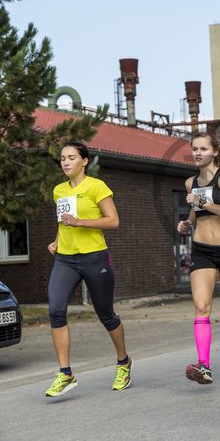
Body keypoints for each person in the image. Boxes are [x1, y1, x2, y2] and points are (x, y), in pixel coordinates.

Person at [45, 142, 130, 397]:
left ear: (84, 161)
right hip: (66, 260)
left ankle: (123, 362)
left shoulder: (96, 186)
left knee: (106, 314)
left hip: (95, 257)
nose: (66, 162)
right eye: (62, 158)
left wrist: (80, 221)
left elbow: (113, 221)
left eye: (71, 158)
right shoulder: (59, 190)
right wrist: (57, 241)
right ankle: (65, 373)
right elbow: (64, 222)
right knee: (55, 310)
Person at [177, 133, 220, 385]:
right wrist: (186, 223)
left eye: (203, 148)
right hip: (202, 249)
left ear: (214, 152)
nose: (197, 152)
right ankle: (204, 366)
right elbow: (196, 212)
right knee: (201, 307)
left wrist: (202, 200)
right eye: (194, 149)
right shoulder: (190, 182)